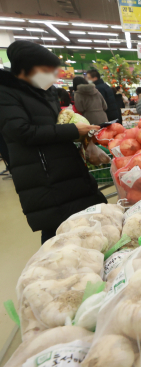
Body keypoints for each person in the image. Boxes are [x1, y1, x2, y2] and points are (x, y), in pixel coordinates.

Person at [0, 40, 106, 243]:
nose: (52, 74)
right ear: (25, 69)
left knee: (85, 223)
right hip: (42, 173)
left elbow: (55, 122)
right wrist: (73, 129)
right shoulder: (6, 92)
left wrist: (82, 135)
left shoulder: (45, 90)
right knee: (56, 231)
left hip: (67, 166)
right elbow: (21, 132)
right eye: (46, 69)